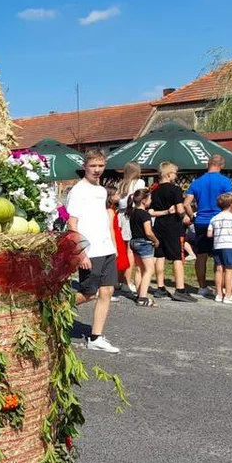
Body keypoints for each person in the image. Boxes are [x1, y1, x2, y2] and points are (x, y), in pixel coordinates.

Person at [66, 149, 120, 353]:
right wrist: (81, 252)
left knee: (107, 291)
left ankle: (96, 337)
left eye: (100, 166)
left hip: (106, 248)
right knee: (89, 293)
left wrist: (112, 246)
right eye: (93, 166)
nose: (97, 170)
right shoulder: (78, 190)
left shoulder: (101, 190)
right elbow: (72, 223)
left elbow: (103, 220)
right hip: (90, 250)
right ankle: (58, 308)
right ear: (85, 166)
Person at [185, 154, 232, 296]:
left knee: (201, 255)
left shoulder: (197, 182)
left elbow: (186, 203)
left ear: (208, 164)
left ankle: (202, 286)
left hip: (201, 221)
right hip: (220, 221)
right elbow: (231, 202)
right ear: (222, 165)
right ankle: (221, 289)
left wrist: (192, 216)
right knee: (220, 256)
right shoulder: (225, 181)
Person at [148, 161, 195, 302]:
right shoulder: (175, 189)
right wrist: (185, 217)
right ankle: (180, 289)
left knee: (160, 255)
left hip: (159, 225)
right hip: (173, 226)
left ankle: (160, 287)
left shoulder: (154, 190)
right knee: (177, 257)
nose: (176, 175)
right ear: (169, 174)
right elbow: (180, 209)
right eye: (175, 173)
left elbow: (152, 210)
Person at [207, 193, 232, 304]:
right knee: (229, 269)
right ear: (231, 204)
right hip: (230, 245)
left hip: (218, 245)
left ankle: (219, 293)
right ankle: (228, 295)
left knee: (219, 269)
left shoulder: (214, 218)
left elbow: (209, 234)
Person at [116, 162, 145, 293]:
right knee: (130, 250)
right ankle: (127, 282)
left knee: (119, 248)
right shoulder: (139, 183)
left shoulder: (121, 184)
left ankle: (118, 279)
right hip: (131, 214)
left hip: (120, 215)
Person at [128, 188, 159, 307]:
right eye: (150, 198)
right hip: (144, 243)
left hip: (134, 241)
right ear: (144, 201)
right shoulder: (145, 214)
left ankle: (139, 293)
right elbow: (148, 232)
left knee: (139, 269)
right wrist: (156, 241)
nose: (151, 200)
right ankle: (143, 297)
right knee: (149, 270)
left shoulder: (133, 213)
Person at [106, 190, 130, 301]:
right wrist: (114, 244)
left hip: (116, 233)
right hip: (114, 234)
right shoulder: (109, 210)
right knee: (112, 263)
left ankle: (112, 284)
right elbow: (110, 227)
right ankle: (106, 289)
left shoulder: (112, 208)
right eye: (116, 194)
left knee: (117, 262)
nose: (118, 196)